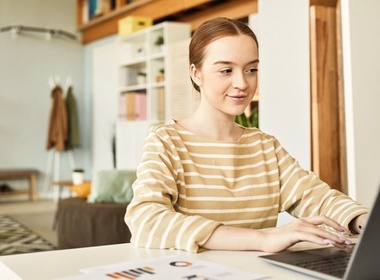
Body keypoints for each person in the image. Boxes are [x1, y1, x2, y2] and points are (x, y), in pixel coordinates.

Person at [125, 17, 368, 253]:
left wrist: (364, 220)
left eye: (251, 69)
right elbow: (147, 220)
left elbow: (317, 198)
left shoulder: (264, 146)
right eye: (226, 70)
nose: (242, 82)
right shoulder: (166, 141)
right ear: (196, 73)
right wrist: (263, 238)